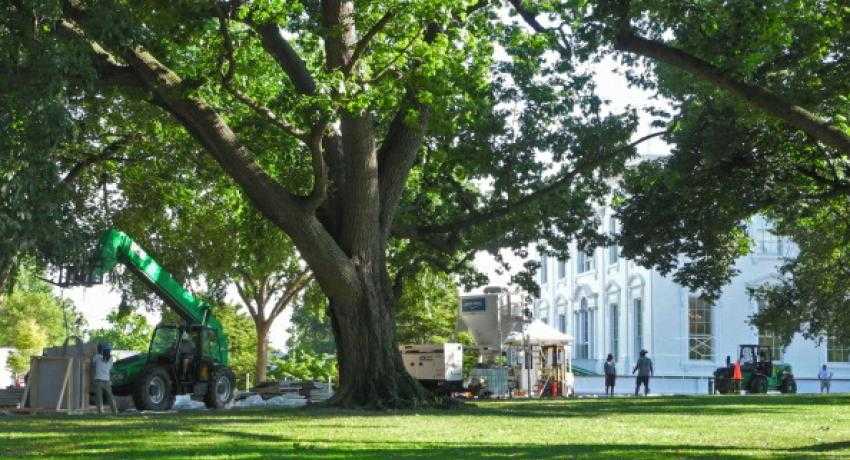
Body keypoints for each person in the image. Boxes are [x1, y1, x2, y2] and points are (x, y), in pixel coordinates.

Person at [92, 343, 117, 415]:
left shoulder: (96, 357)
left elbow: (93, 364)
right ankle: (114, 411)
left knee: (99, 397)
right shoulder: (111, 358)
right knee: (110, 397)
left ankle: (100, 412)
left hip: (98, 380)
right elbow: (110, 368)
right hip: (107, 380)